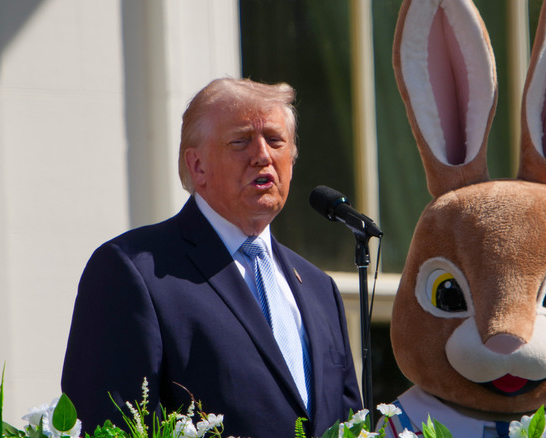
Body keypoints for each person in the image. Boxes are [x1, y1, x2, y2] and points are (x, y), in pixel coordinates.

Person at [61, 78, 362, 437]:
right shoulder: (134, 270)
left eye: (275, 140)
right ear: (198, 166)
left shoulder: (319, 288)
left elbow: (348, 423)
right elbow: (111, 424)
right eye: (241, 141)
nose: (263, 155)